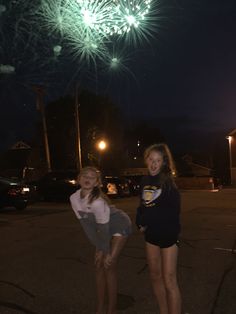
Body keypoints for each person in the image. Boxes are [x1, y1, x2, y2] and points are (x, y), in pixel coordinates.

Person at [70, 166, 132, 314]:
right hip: (103, 228)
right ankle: (99, 308)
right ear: (78, 179)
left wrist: (104, 250)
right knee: (98, 266)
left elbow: (104, 230)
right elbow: (88, 227)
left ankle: (111, 310)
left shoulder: (98, 202)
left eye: (92, 177)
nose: (87, 178)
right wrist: (99, 247)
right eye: (85, 175)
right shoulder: (74, 199)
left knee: (108, 265)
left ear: (97, 183)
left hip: (119, 225)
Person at [136, 143, 181, 314]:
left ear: (164, 163)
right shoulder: (144, 181)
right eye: (151, 159)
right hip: (151, 236)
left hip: (168, 236)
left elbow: (174, 212)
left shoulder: (168, 183)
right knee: (155, 276)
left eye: (158, 160)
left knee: (169, 280)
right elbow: (142, 206)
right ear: (146, 160)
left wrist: (150, 218)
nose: (154, 164)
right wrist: (140, 222)